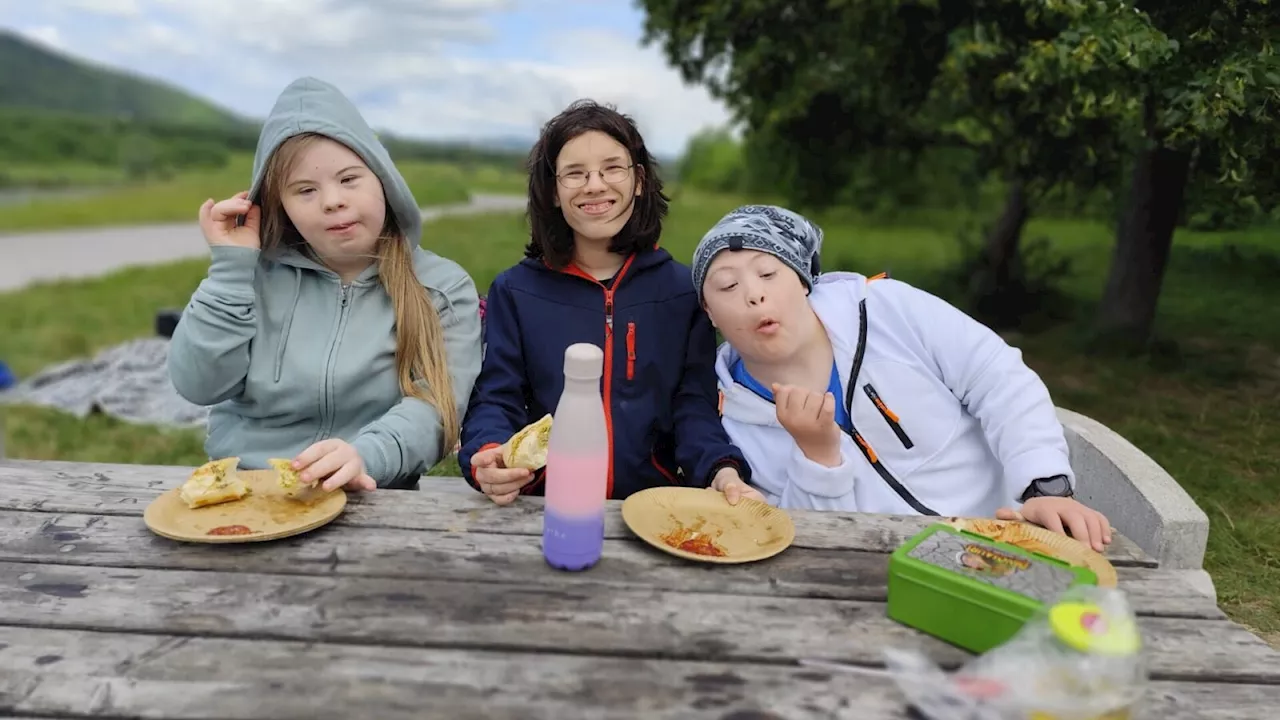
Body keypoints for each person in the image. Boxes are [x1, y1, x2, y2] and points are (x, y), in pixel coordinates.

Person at [692, 204, 1113, 551]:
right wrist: (817, 457)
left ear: (803, 281)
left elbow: (999, 378)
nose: (753, 294)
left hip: (1011, 541)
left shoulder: (886, 310)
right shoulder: (728, 419)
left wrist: (1045, 488)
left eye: (767, 273)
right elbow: (800, 540)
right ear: (709, 314)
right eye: (726, 287)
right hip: (878, 581)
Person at [168, 77, 483, 492]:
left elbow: (438, 408)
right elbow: (198, 384)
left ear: (384, 182)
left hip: (372, 494)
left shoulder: (443, 287)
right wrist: (230, 268)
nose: (332, 201)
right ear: (279, 205)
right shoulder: (249, 277)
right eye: (305, 190)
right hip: (249, 492)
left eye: (349, 179)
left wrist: (365, 457)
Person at [458, 100, 758, 506]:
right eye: (575, 173)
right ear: (551, 191)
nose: (595, 184)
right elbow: (497, 396)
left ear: (638, 180)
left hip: (654, 510)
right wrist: (489, 454)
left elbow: (694, 405)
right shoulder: (515, 291)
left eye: (612, 168)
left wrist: (720, 469)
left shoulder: (683, 291)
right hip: (541, 505)